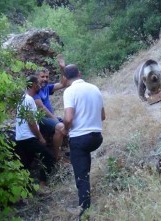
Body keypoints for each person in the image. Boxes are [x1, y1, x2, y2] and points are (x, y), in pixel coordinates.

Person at [61, 64, 106, 219]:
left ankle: (84, 210)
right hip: (96, 137)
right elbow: (103, 116)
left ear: (65, 78)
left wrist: (65, 129)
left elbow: (68, 118)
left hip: (80, 138)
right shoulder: (95, 88)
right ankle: (85, 204)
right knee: (84, 163)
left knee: (81, 176)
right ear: (80, 74)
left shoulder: (69, 91)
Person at [15, 75, 55, 192]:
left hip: (20, 138)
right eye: (37, 83)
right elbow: (31, 121)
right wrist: (40, 137)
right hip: (29, 137)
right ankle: (42, 185)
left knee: (25, 165)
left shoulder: (22, 99)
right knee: (48, 157)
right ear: (33, 85)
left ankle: (23, 191)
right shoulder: (28, 99)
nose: (39, 85)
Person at [34, 55, 67, 161]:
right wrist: (55, 119)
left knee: (70, 123)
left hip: (49, 118)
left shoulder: (47, 88)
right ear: (37, 78)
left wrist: (62, 68)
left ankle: (67, 149)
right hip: (40, 119)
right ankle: (57, 157)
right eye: (42, 77)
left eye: (47, 77)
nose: (45, 79)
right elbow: (42, 108)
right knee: (60, 126)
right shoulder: (34, 91)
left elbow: (63, 84)